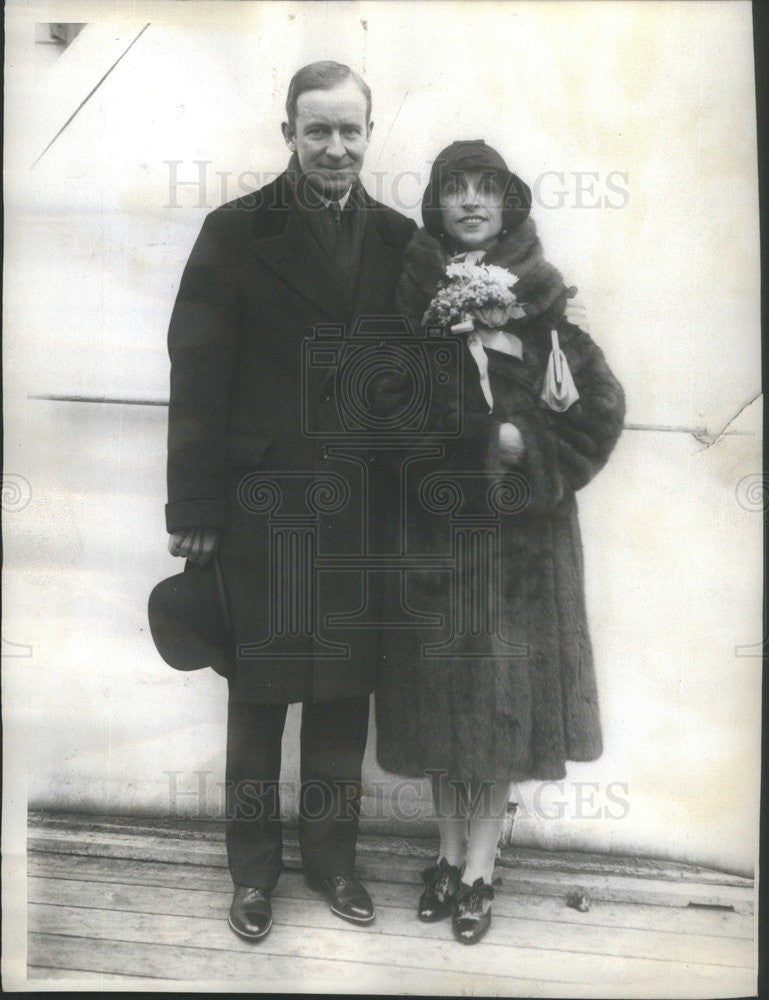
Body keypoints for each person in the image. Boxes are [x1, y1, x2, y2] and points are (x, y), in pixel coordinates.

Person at [164, 61, 415, 942]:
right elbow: (196, 376)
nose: (335, 148)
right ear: (287, 135)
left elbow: (418, 381)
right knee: (259, 694)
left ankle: (332, 860)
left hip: (361, 511)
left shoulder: (399, 240)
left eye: (350, 131)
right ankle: (252, 872)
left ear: (368, 134)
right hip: (262, 508)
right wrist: (192, 508)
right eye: (317, 131)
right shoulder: (235, 232)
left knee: (344, 693)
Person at [374, 140, 626, 944]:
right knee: (440, 710)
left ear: (509, 204)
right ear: (436, 207)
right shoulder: (407, 301)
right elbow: (378, 411)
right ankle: (445, 858)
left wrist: (527, 454)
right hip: (434, 541)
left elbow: (597, 413)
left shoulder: (549, 307)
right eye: (457, 191)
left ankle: (482, 869)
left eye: (487, 190)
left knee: (498, 713)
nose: (472, 203)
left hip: (520, 553)